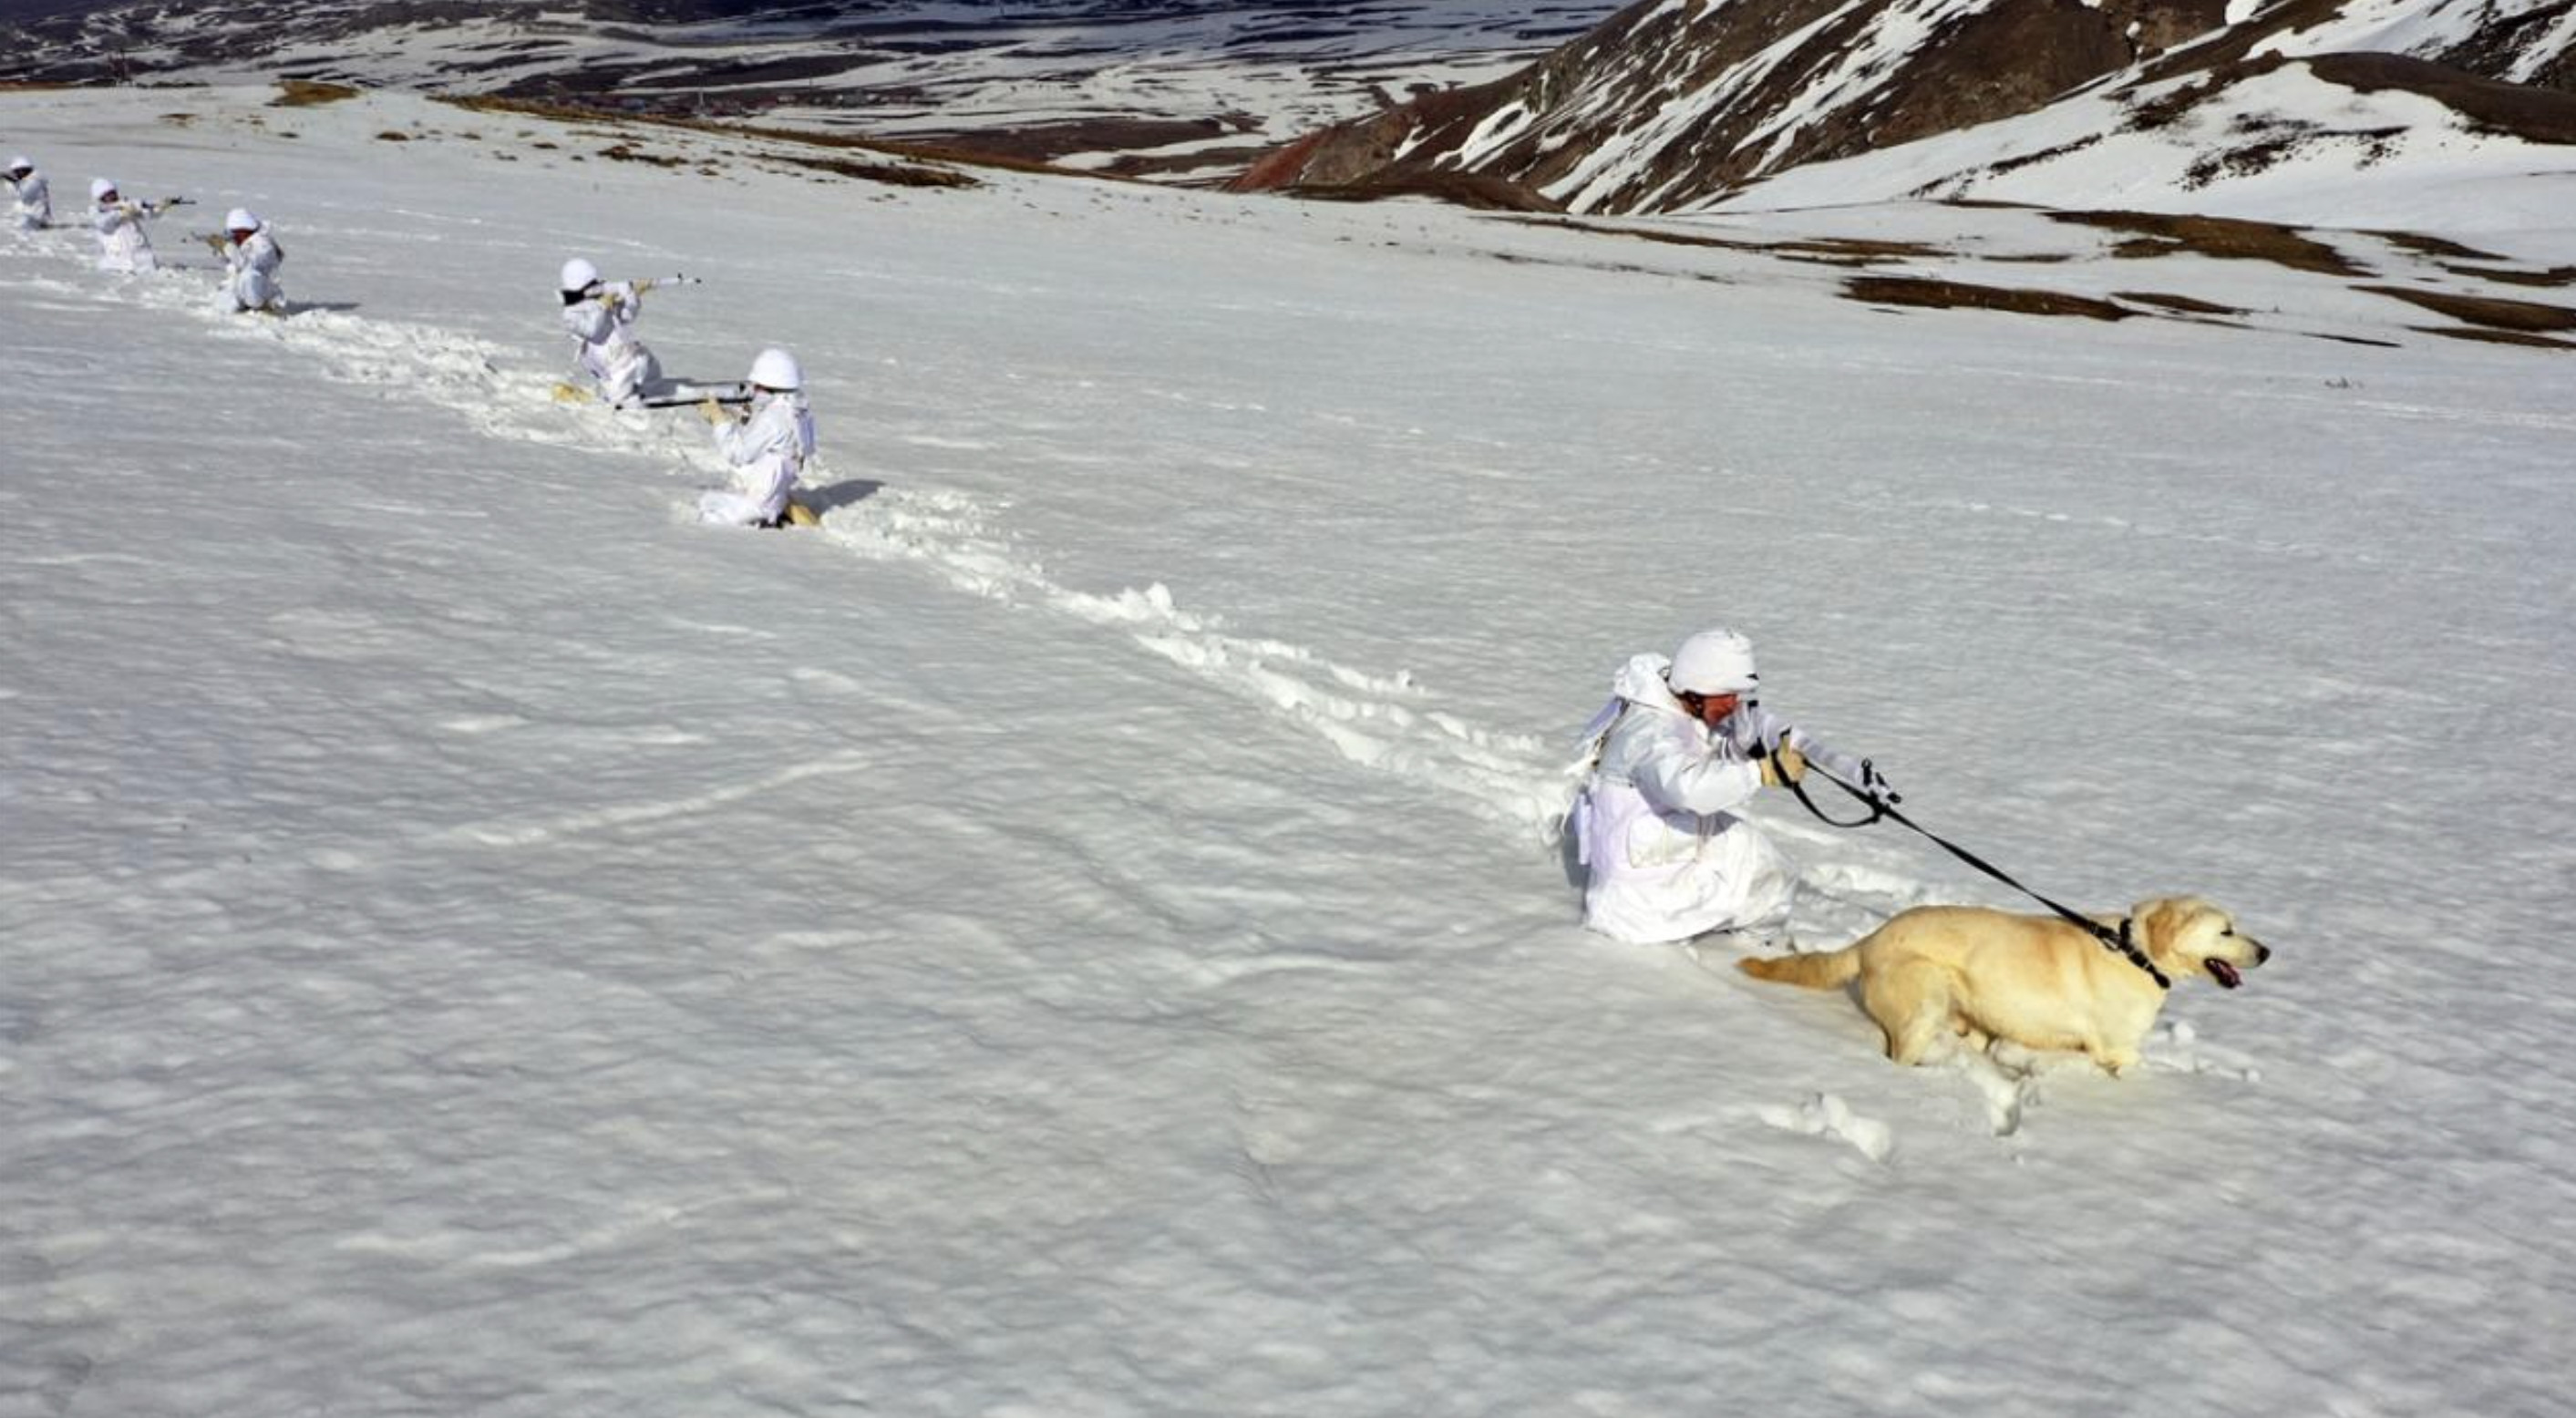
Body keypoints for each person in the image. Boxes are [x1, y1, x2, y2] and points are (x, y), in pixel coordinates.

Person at [1570, 627, 1895, 946]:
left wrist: (1738, 749)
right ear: (1696, 689)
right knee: (1763, 881)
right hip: (1640, 903)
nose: (1733, 705)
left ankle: (1753, 942)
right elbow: (1687, 789)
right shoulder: (1650, 732)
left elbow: (1698, 755)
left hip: (1663, 846)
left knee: (1768, 865)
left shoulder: (1674, 705)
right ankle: (1745, 958)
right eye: (1726, 695)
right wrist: (1762, 772)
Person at [696, 347, 817, 529]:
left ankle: (773, 513)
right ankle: (781, 502)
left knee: (710, 512)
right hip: (777, 479)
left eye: (758, 385)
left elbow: (737, 454)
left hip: (760, 500)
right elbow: (767, 430)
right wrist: (733, 414)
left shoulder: (773, 419)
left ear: (771, 386)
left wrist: (719, 421)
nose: (754, 389)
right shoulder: (797, 409)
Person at [557, 256, 662, 408]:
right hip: (606, 361)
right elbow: (591, 330)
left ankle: (644, 393)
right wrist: (602, 306)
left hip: (626, 352)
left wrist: (633, 295)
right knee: (618, 399)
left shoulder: (599, 298)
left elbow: (627, 316)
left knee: (650, 369)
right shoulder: (571, 313)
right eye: (590, 283)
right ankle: (585, 400)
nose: (596, 286)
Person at [211, 208, 285, 313]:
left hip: (262, 289)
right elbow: (230, 265)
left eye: (236, 233)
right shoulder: (245, 242)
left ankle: (265, 307)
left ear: (245, 230)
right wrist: (220, 250)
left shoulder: (263, 245)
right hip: (243, 288)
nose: (234, 237)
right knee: (221, 305)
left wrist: (228, 248)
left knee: (249, 276)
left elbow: (248, 264)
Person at [89, 178, 164, 272]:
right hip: (116, 262)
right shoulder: (97, 212)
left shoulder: (127, 204)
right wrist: (122, 214)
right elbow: (104, 224)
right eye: (107, 195)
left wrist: (158, 208)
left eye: (112, 193)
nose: (111, 196)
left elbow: (148, 214)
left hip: (141, 257)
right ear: (100, 198)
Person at [5, 157, 48, 231]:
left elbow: (25, 196)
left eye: (22, 170)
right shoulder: (24, 180)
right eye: (17, 171)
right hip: (28, 213)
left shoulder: (35, 180)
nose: (19, 173)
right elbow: (14, 195)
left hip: (36, 215)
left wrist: (14, 182)